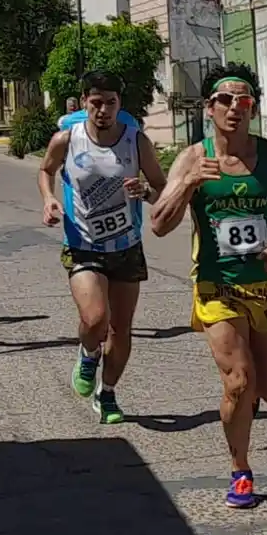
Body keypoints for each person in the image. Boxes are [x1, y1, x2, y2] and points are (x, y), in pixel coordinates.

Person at [151, 63, 267, 510]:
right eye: (225, 100)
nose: (234, 109)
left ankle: (248, 406)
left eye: (244, 101)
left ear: (253, 109)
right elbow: (159, 224)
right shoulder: (191, 158)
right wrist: (186, 184)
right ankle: (241, 469)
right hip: (216, 285)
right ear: (209, 108)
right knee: (239, 382)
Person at [38, 71, 167, 424]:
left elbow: (160, 188)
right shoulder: (67, 139)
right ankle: (88, 352)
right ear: (84, 103)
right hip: (83, 244)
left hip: (126, 244)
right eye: (96, 103)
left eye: (111, 103)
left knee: (121, 329)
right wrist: (49, 198)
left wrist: (147, 192)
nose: (103, 110)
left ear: (119, 105)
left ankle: (106, 393)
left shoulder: (136, 142)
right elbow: (46, 169)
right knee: (95, 319)